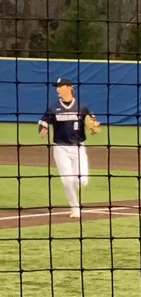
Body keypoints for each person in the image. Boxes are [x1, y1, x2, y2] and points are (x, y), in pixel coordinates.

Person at [38, 78, 101, 219]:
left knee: (81, 180)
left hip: (78, 148)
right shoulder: (53, 108)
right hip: (60, 148)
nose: (57, 89)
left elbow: (94, 124)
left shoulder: (82, 107)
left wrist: (95, 128)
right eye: (57, 86)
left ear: (69, 88)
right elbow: (44, 123)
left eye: (60, 86)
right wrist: (43, 130)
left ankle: (77, 187)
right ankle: (75, 207)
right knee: (67, 180)